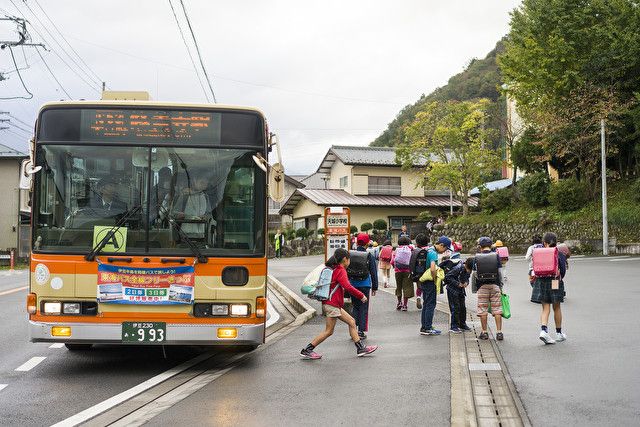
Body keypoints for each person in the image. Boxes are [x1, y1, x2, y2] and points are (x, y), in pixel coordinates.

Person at [300, 248, 378, 359]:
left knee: (351, 321)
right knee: (329, 331)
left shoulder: (334, 268)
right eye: (349, 259)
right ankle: (307, 349)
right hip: (332, 304)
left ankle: (361, 348)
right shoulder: (340, 270)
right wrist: (361, 296)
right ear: (345, 259)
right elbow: (348, 286)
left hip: (332, 304)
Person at [531, 232, 567, 345]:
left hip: (541, 281)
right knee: (557, 307)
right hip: (555, 281)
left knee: (545, 308)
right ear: (555, 242)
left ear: (544, 243)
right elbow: (563, 270)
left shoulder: (538, 252)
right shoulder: (558, 253)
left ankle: (544, 331)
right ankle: (559, 333)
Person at [419, 236, 452, 335]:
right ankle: (428, 328)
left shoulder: (428, 250)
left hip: (424, 280)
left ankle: (424, 327)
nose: (445, 251)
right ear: (441, 245)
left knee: (426, 304)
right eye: (445, 248)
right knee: (430, 305)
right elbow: (433, 268)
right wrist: (434, 278)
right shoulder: (433, 253)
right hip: (430, 281)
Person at [348, 233, 379, 339]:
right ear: (367, 243)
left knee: (355, 306)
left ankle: (353, 330)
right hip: (365, 285)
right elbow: (373, 272)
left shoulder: (350, 254)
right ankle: (361, 331)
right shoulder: (369, 255)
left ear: (356, 242)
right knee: (363, 307)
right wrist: (375, 287)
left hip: (352, 285)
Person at [473, 237, 504, 341]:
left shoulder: (477, 257)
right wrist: (501, 284)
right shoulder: (496, 256)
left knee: (483, 310)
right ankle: (499, 332)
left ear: (480, 247)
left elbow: (474, 274)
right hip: (495, 285)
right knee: (497, 309)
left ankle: (484, 332)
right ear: (491, 246)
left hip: (482, 286)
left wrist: (475, 288)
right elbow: (500, 272)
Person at [445, 257, 473, 333]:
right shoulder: (458, 268)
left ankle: (462, 324)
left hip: (460, 290)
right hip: (452, 290)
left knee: (463, 308)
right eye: (469, 269)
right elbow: (448, 276)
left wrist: (466, 282)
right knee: (455, 308)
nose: (469, 272)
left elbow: (467, 277)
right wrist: (458, 284)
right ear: (466, 265)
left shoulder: (468, 270)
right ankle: (454, 326)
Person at [391, 236, 414, 311]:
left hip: (398, 271)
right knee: (406, 287)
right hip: (407, 271)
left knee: (399, 287)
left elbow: (392, 261)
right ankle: (405, 305)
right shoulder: (411, 249)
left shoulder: (396, 250)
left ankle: (399, 302)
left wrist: (395, 267)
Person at [410, 233, 431, 310]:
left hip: (418, 272)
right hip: (428, 272)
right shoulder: (429, 250)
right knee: (427, 288)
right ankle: (425, 302)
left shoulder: (415, 250)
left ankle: (418, 297)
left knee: (419, 287)